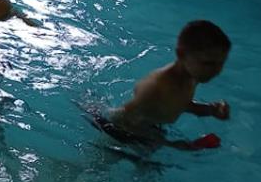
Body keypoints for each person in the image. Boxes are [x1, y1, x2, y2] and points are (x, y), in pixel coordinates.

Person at [97, 20, 231, 151]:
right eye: (208, 63)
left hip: (149, 127)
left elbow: (181, 104)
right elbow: (126, 120)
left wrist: (211, 110)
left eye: (221, 63)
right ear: (181, 54)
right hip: (119, 132)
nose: (216, 70)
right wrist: (172, 145)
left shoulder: (192, 76)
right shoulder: (158, 88)